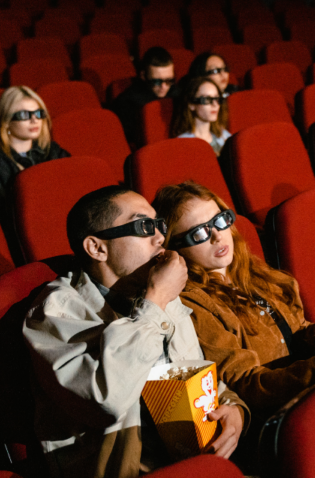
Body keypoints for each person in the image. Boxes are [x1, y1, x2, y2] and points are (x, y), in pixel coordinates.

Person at [23, 186, 248, 478]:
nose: (160, 238)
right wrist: (155, 302)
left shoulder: (157, 291)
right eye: (144, 226)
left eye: (159, 225)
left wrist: (232, 408)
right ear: (97, 248)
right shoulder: (54, 313)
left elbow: (190, 373)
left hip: (190, 461)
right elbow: (107, 400)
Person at [151, 181, 315, 422]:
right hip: (284, 418)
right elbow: (249, 385)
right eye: (199, 232)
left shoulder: (247, 270)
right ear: (176, 248)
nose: (217, 236)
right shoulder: (193, 302)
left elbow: (294, 333)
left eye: (219, 220)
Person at [0, 85, 70, 241]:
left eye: (38, 113)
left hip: (63, 225)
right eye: (24, 115)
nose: (34, 120)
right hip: (21, 238)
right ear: (5, 121)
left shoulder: (54, 151)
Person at [111, 47, 176, 145]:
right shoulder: (127, 102)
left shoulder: (177, 94)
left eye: (169, 81)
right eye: (156, 81)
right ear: (143, 76)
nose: (164, 87)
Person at [170, 77, 231, 156]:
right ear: (191, 104)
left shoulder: (224, 135)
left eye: (217, 98)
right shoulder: (181, 143)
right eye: (207, 99)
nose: (215, 105)